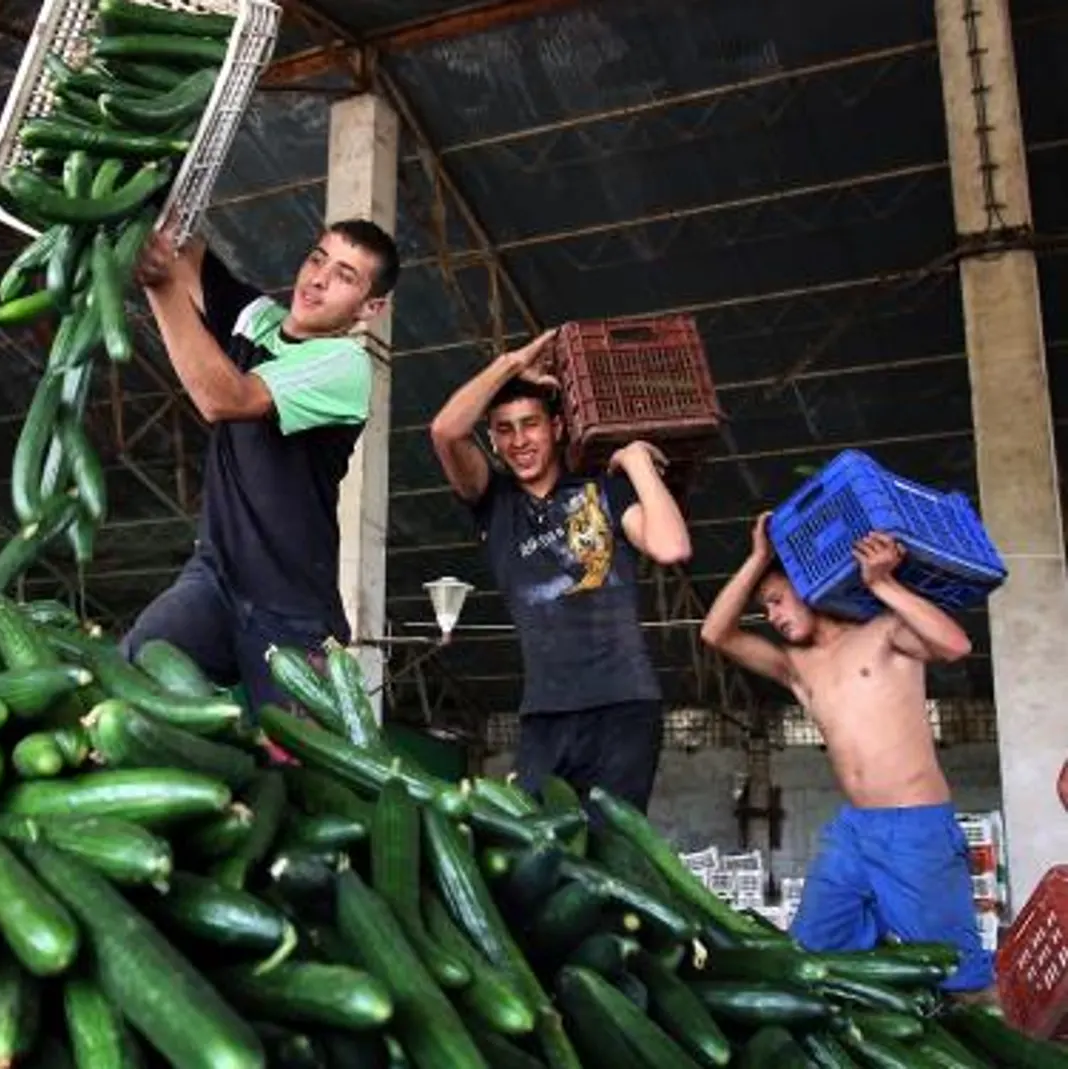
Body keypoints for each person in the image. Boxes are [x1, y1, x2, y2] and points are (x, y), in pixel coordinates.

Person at [117, 218, 400, 719]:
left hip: (292, 614)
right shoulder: (257, 319)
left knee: (302, 778)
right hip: (215, 581)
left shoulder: (344, 366)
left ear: (369, 308)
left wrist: (158, 286)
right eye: (317, 258)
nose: (317, 279)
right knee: (137, 667)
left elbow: (225, 397)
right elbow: (187, 250)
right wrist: (151, 202)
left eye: (345, 276)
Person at [700, 516, 992, 996]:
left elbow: (955, 645)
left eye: (775, 601)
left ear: (810, 586)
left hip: (915, 829)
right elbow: (716, 634)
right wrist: (757, 560)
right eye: (765, 608)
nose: (771, 616)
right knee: (812, 958)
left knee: (956, 977)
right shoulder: (798, 667)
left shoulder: (883, 632)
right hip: (853, 832)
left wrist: (883, 584)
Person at [428, 333, 692, 811]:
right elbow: (445, 431)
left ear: (557, 427)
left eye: (530, 425)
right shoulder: (494, 503)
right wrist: (511, 364)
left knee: (612, 851)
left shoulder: (605, 493)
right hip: (544, 716)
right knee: (534, 850)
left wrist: (636, 463)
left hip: (624, 707)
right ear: (492, 439)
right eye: (504, 429)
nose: (519, 440)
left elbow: (671, 547)